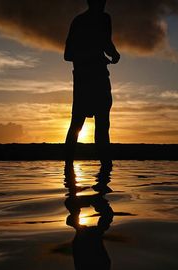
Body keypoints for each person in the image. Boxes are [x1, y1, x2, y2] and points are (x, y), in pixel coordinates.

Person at [64, 0, 120, 166]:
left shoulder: (104, 19)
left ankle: (105, 171)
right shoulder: (80, 21)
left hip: (99, 78)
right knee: (77, 124)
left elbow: (106, 43)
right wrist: (94, 56)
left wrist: (114, 54)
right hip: (85, 80)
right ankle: (68, 168)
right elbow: (68, 54)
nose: (102, 3)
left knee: (102, 126)